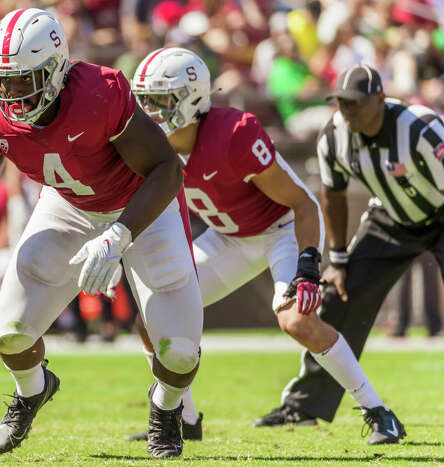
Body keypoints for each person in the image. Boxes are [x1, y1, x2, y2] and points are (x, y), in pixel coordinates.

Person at [0, 8, 204, 459]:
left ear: (55, 70)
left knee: (181, 351)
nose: (8, 92)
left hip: (143, 207)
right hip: (69, 206)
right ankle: (33, 390)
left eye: (22, 79)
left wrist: (119, 235)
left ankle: (165, 409)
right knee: (10, 332)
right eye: (1, 79)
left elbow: (166, 169)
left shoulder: (99, 94)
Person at [127, 48, 405, 445]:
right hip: (230, 237)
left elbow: (303, 204)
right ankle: (182, 417)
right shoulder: (153, 145)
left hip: (282, 230)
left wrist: (308, 265)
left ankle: (379, 412)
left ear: (190, 98)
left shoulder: (234, 134)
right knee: (150, 318)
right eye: (144, 101)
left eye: (159, 101)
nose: (149, 112)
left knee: (297, 321)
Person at [254, 63, 444, 429]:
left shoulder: (421, 129)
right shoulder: (333, 136)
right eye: (342, 102)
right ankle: (305, 404)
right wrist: (338, 260)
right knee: (339, 297)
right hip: (391, 218)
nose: (348, 110)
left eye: (356, 103)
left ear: (380, 100)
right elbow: (334, 196)